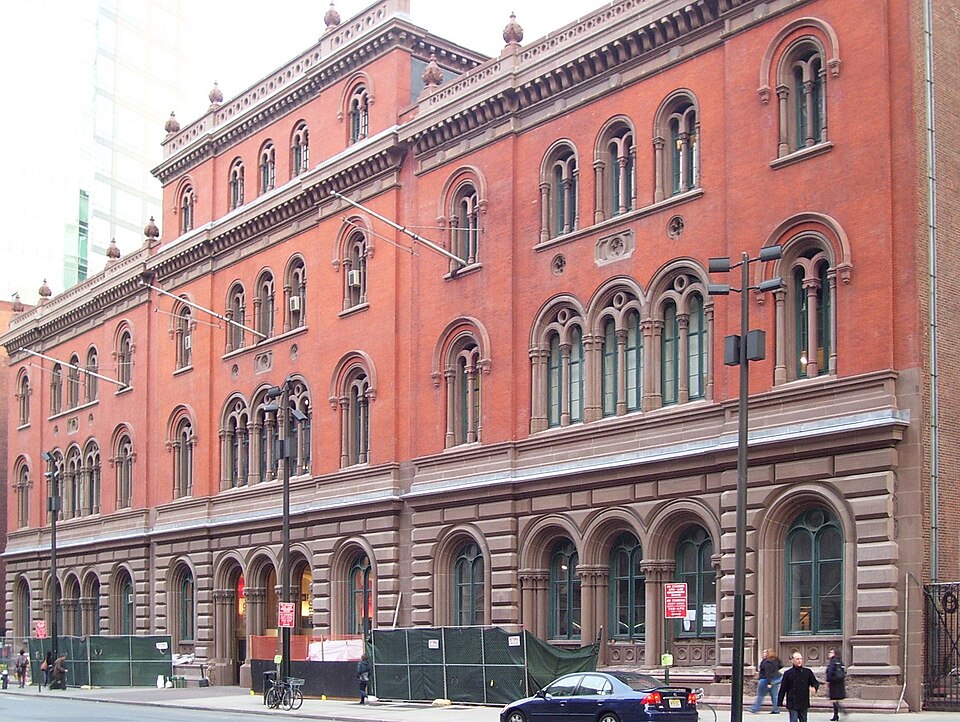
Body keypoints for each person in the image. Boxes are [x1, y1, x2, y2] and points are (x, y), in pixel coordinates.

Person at [777, 651, 820, 722]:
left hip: (803, 701)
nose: (799, 661)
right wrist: (779, 702)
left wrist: (814, 688)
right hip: (792, 701)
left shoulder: (807, 672)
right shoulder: (788, 673)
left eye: (800, 659)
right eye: (797, 659)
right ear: (792, 660)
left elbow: (815, 682)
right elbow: (783, 688)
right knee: (793, 719)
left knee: (803, 720)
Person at [751, 648, 782, 714]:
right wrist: (775, 671)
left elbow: (768, 673)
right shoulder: (776, 660)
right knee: (774, 696)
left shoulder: (766, 662)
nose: (763, 653)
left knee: (761, 695)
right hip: (775, 679)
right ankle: (776, 709)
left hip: (765, 680)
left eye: (765, 652)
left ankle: (755, 708)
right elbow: (781, 666)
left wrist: (769, 682)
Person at [826, 647, 846, 720]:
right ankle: (837, 714)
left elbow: (830, 672)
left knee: (834, 700)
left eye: (831, 652)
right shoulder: (840, 661)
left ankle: (838, 713)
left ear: (834, 653)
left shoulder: (832, 661)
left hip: (833, 683)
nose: (829, 654)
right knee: (835, 700)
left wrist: (828, 680)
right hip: (839, 683)